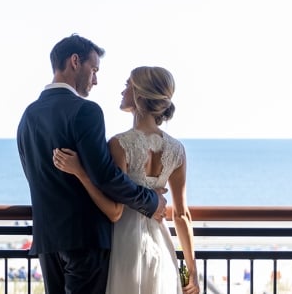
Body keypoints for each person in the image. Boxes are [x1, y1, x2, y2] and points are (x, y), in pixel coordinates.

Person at [17, 34, 167, 294]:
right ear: (75, 61)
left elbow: (34, 175)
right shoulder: (86, 111)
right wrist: (151, 201)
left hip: (48, 240)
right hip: (85, 241)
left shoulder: (28, 115)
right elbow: (106, 176)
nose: (96, 79)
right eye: (94, 69)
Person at [54, 66, 200, 294]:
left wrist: (80, 172)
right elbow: (182, 215)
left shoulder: (120, 144)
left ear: (140, 96)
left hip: (126, 246)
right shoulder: (177, 150)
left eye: (127, 86)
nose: (122, 92)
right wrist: (192, 270)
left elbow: (113, 209)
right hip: (162, 246)